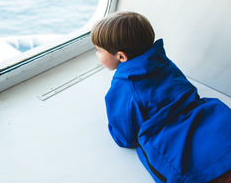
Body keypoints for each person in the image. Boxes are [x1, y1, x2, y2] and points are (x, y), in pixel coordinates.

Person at [90, 11, 231, 183]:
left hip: (169, 135)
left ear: (121, 56)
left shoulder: (125, 85)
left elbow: (124, 137)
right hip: (204, 114)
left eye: (99, 50)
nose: (97, 55)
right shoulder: (162, 61)